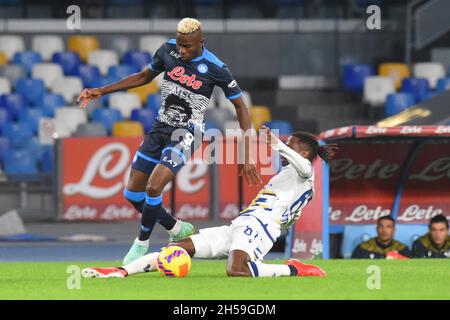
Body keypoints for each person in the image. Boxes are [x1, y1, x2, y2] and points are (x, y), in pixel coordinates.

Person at [76, 18, 262, 265]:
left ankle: (141, 244)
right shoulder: (167, 49)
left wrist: (247, 153)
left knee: (153, 188)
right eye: (181, 46)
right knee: (132, 194)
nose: (183, 51)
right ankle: (175, 227)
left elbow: (241, 107)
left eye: (188, 47)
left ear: (201, 42)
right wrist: (102, 90)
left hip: (187, 133)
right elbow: (143, 76)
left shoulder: (217, 68)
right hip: (159, 128)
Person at [81, 126, 338, 278]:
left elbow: (305, 165)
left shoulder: (306, 175)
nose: (284, 149)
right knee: (176, 248)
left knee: (236, 270)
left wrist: (279, 145)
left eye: (291, 145)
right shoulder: (286, 174)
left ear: (303, 151)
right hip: (240, 223)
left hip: (261, 229)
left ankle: (293, 269)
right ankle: (120, 271)